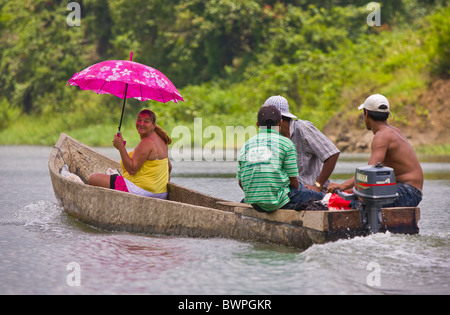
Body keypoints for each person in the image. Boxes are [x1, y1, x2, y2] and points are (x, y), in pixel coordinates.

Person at [327, 94, 423, 207]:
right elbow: (373, 178)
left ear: (366, 114)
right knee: (352, 193)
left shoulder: (381, 136)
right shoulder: (393, 131)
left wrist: (342, 186)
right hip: (409, 191)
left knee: (355, 203)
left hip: (407, 193)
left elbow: (369, 173)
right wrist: (349, 189)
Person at [237, 105, 325, 212]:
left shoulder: (246, 145)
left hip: (255, 203)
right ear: (280, 123)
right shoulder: (286, 143)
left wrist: (257, 196)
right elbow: (293, 181)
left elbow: (241, 182)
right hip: (279, 202)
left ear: (257, 125)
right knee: (322, 197)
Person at [88, 109, 172, 199]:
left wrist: (121, 148)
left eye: (146, 121)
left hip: (140, 191)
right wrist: (158, 184)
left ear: (153, 125)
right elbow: (169, 166)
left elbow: (132, 170)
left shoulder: (146, 143)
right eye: (139, 119)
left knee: (93, 178)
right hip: (161, 193)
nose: (141, 124)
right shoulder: (162, 140)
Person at [262, 95, 340, 193]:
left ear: (280, 120)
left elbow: (332, 154)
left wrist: (318, 185)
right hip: (289, 192)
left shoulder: (303, 129)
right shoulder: (272, 137)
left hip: (309, 191)